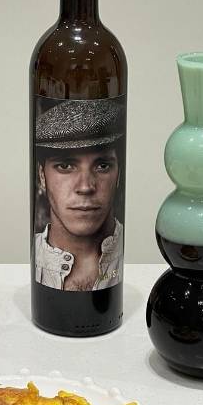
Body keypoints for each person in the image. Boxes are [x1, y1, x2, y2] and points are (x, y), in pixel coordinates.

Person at [34, 99, 125, 291]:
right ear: (42, 175)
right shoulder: (27, 259)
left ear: (119, 174)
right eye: (65, 166)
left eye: (102, 166)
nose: (85, 187)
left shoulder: (138, 260)